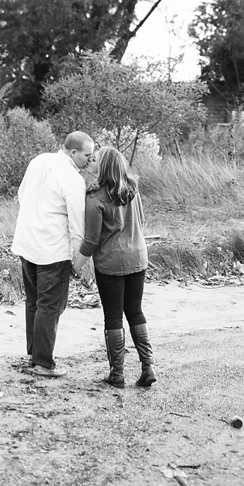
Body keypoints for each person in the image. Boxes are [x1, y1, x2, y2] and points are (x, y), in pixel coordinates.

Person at [9, 131, 96, 377]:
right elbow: (78, 227)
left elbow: (21, 195)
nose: (89, 161)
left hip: (26, 242)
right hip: (52, 250)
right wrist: (77, 262)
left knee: (34, 300)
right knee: (51, 305)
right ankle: (43, 363)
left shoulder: (39, 160)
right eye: (87, 156)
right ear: (73, 152)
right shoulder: (72, 178)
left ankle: (33, 353)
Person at [80, 145, 156, 388]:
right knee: (135, 310)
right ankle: (148, 366)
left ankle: (117, 373)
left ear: (103, 168)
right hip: (138, 257)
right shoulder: (133, 190)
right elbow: (141, 223)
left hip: (111, 262)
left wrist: (75, 266)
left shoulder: (95, 198)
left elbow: (91, 240)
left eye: (94, 160)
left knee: (113, 315)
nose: (91, 162)